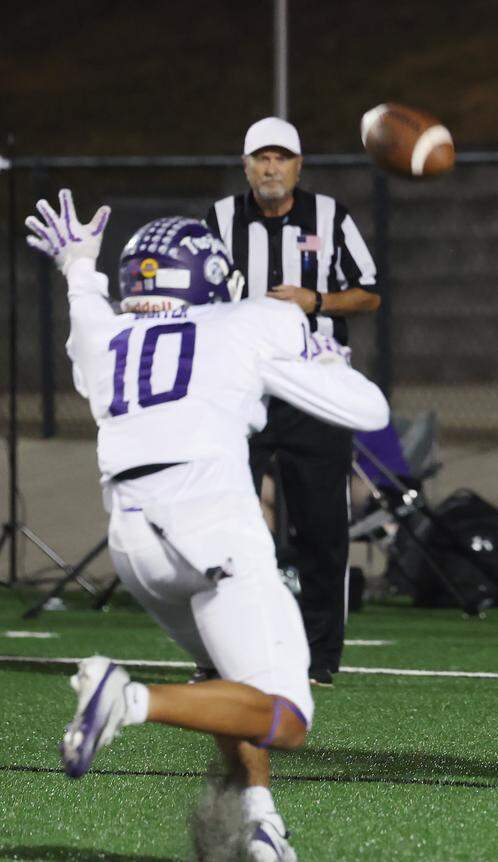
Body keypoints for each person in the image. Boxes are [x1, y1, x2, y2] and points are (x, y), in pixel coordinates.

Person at [25, 190, 390, 860]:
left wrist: (80, 263)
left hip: (132, 545)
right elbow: (369, 412)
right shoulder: (252, 321)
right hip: (213, 524)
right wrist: (313, 354)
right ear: (211, 277)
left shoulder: (103, 335)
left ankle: (259, 820)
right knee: (289, 716)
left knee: (227, 676)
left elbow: (83, 294)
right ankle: (128, 700)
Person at [206, 117, 381, 687]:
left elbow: (370, 293)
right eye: (261, 158)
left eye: (281, 158)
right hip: (242, 389)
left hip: (315, 389)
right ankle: (220, 653)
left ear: (298, 166)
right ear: (246, 166)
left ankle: (319, 656)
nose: (271, 168)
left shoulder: (330, 217)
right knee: (223, 522)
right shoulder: (220, 220)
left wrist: (317, 299)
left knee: (322, 527)